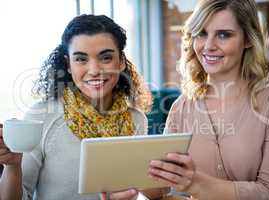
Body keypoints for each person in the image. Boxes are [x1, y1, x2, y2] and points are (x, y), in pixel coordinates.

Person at [148, 0, 269, 199]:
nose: (208, 46)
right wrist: (129, 186)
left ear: (248, 39)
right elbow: (164, 184)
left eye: (223, 35)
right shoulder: (181, 107)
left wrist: (196, 184)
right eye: (201, 33)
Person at [0, 14, 154, 200]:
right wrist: (13, 166)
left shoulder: (137, 119)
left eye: (106, 58)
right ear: (68, 64)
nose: (95, 70)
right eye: (81, 59)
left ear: (121, 61)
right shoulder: (42, 116)